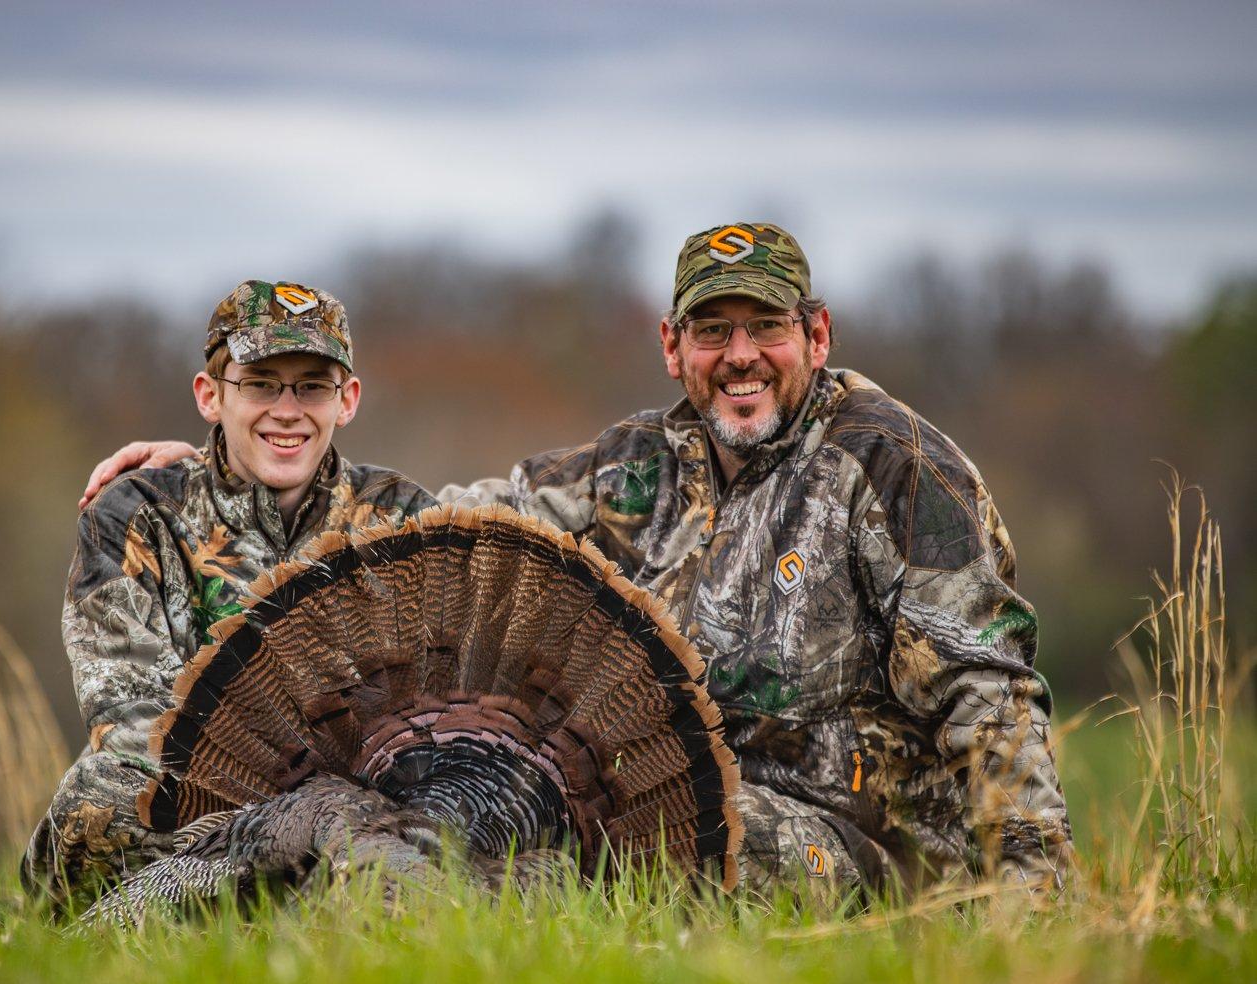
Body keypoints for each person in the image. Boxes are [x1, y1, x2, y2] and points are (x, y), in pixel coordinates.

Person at [84, 224, 1073, 900]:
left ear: (815, 334)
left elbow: (990, 694)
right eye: (712, 329)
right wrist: (223, 470)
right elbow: (448, 526)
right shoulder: (632, 465)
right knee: (473, 820)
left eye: (765, 327)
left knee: (609, 849)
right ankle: (218, 908)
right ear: (670, 344)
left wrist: (1033, 891)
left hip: (863, 838)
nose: (740, 354)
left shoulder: (891, 460)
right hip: (686, 795)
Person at [24, 279, 436, 905]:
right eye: (261, 382)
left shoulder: (402, 516)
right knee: (104, 795)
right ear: (210, 396)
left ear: (346, 400)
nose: (288, 408)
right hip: (195, 808)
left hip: (362, 808)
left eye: (312, 385)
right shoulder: (137, 515)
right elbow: (132, 721)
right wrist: (295, 816)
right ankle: (288, 891)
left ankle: (239, 900)